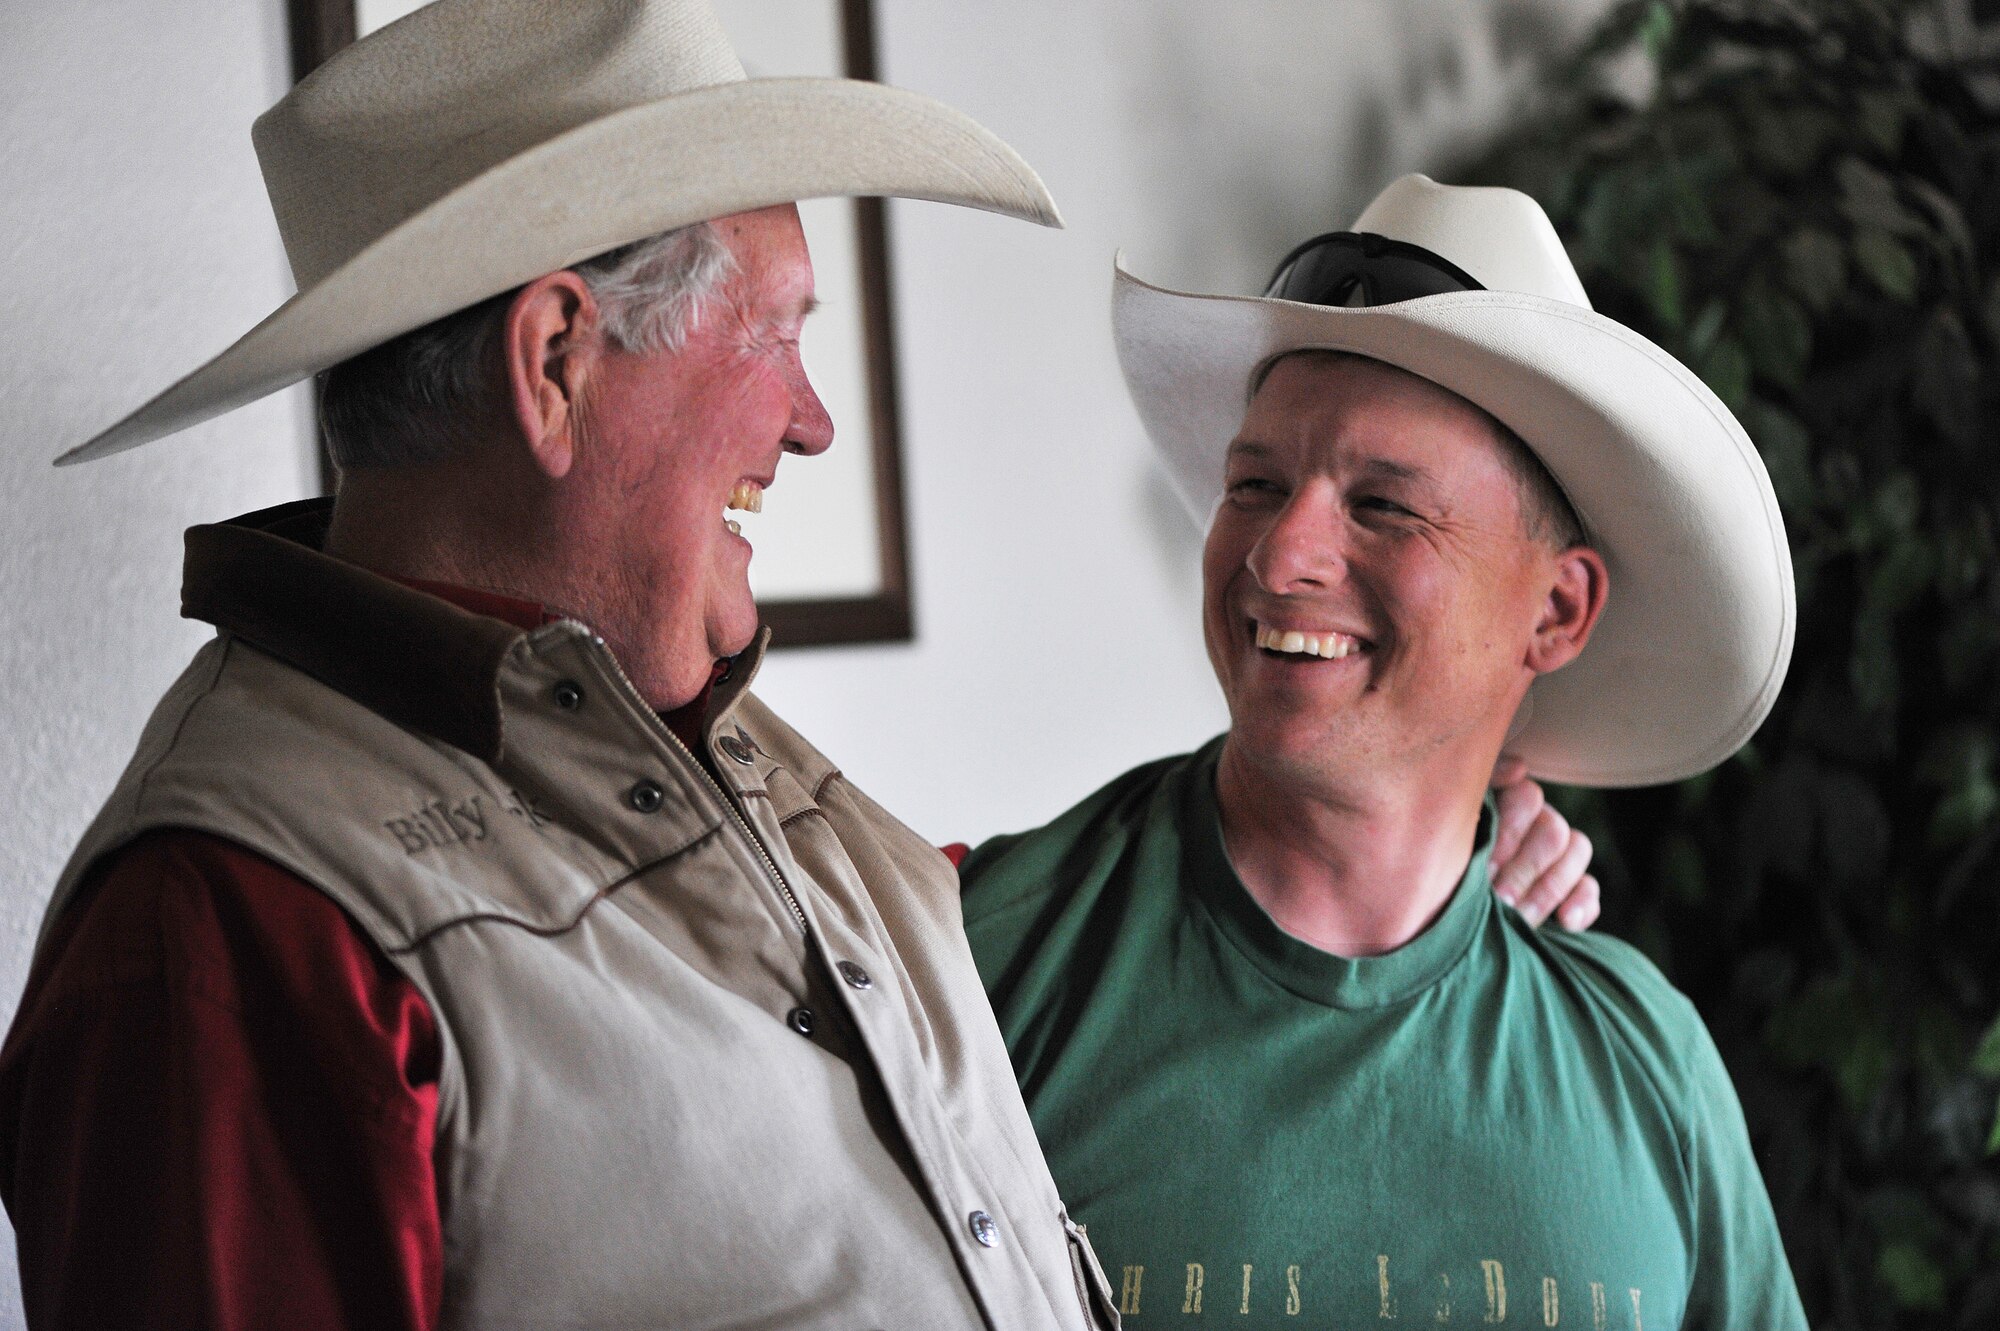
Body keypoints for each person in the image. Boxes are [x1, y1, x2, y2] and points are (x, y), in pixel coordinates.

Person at [0, 3, 1595, 1324]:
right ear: (556, 360)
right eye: (773, 331)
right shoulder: (227, 925)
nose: (814, 416)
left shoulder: (704, 750)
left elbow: (924, 953)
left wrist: (1417, 877)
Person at [960, 176, 1809, 1329]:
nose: (1277, 552)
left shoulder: (1646, 1059)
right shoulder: (976, 966)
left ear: (1555, 612)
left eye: (1383, 505)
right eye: (1253, 483)